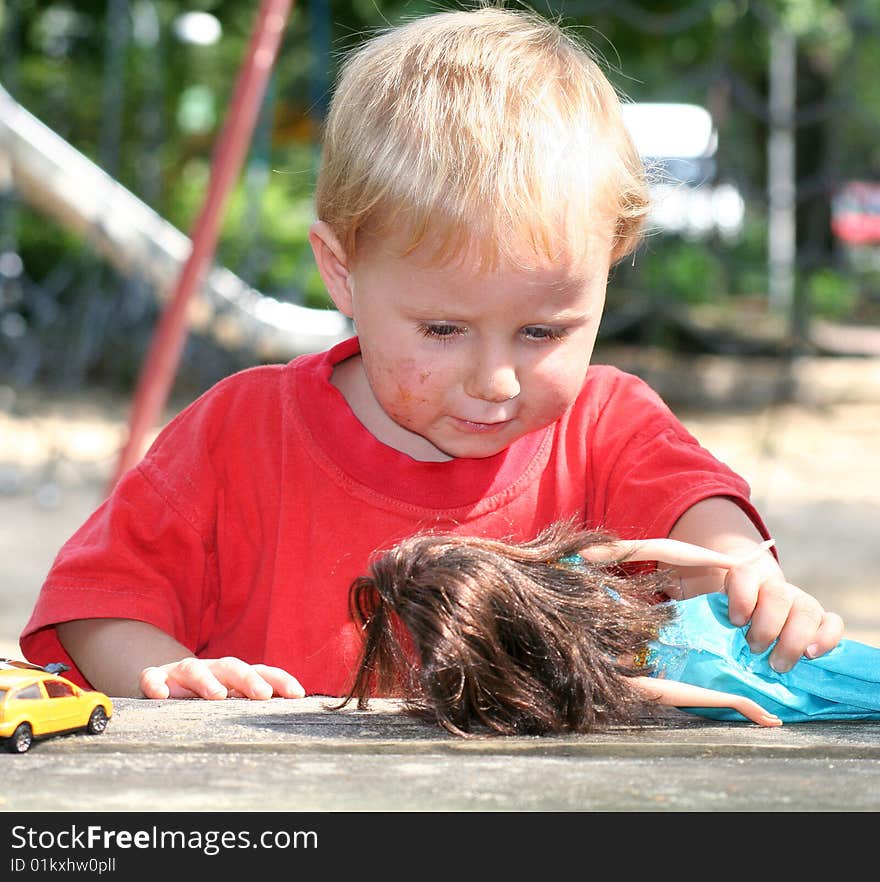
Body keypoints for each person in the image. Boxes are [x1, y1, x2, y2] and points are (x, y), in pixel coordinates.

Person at [20, 5, 842, 701]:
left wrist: (749, 579)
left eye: (544, 331)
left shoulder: (607, 426)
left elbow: (705, 529)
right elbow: (96, 606)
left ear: (613, 260)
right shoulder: (238, 435)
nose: (496, 381)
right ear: (342, 271)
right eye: (444, 331)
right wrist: (167, 676)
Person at [340, 522, 879, 736]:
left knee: (841, 682)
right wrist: (739, 705)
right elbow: (643, 688)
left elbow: (643, 550)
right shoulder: (560, 637)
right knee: (841, 688)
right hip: (721, 662)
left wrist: (733, 559)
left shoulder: (563, 575)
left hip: (721, 651)